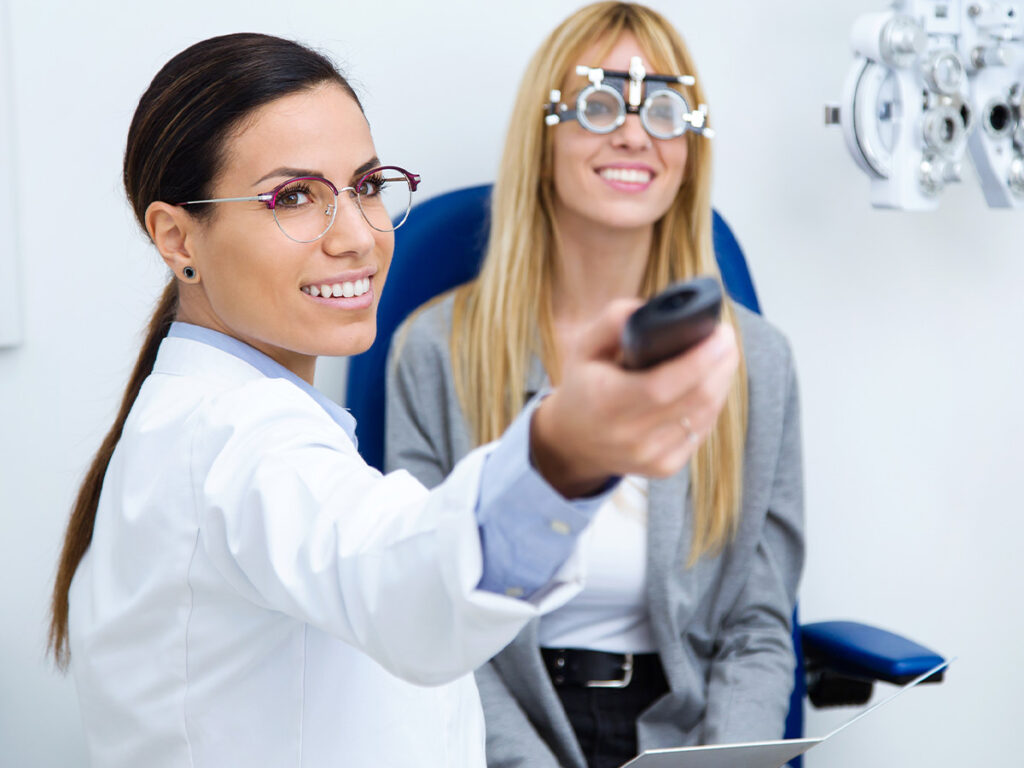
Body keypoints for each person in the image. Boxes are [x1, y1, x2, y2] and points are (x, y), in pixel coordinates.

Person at [47, 32, 740, 768]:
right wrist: (565, 452)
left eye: (368, 186)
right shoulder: (241, 441)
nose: (358, 236)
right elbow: (411, 591)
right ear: (176, 237)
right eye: (294, 197)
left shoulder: (203, 418)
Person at [385, 4, 805, 768]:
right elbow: (428, 617)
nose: (635, 133)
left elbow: (758, 624)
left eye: (665, 108)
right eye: (600, 101)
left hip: (682, 736)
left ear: (689, 148)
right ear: (542, 137)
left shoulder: (757, 362)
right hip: (497, 739)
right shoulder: (435, 352)